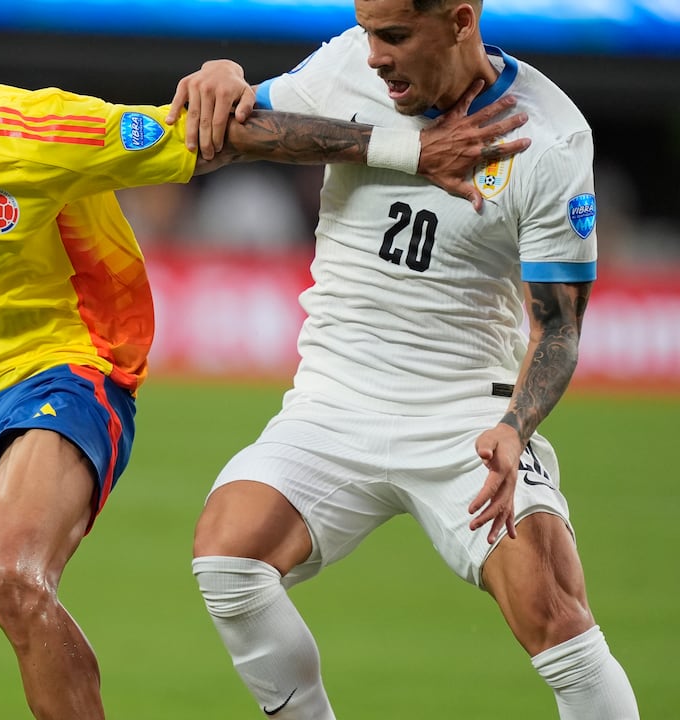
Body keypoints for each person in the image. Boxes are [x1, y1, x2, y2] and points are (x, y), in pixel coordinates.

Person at [0, 6, 525, 720]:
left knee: (11, 574)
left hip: (72, 382)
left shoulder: (43, 134)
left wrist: (408, 151)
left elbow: (224, 134)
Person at [172, 1, 639, 718]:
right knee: (227, 559)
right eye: (366, 32)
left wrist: (515, 426)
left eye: (393, 36)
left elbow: (559, 327)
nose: (373, 57)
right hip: (334, 400)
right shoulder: (342, 69)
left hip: (467, 415)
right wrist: (223, 73)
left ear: (459, 21)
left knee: (556, 617)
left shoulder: (547, 137)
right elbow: (229, 130)